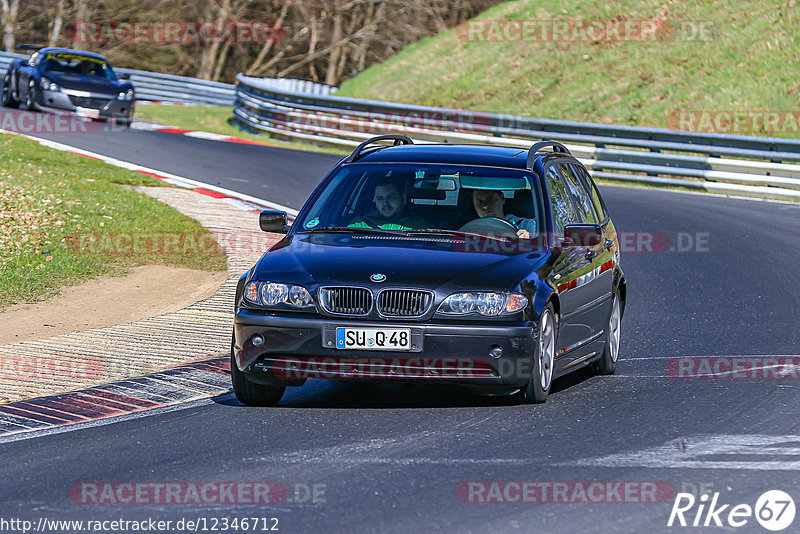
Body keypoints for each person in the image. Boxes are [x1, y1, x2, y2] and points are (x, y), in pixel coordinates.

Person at [348, 178, 428, 230]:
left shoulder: (420, 228)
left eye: (391, 197)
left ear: (403, 198)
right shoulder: (360, 224)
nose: (385, 203)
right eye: (380, 198)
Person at [471, 189, 537, 239]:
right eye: (479, 201)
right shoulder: (468, 232)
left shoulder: (526, 225)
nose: (485, 206)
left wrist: (527, 241)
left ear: (502, 198)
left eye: (490, 199)